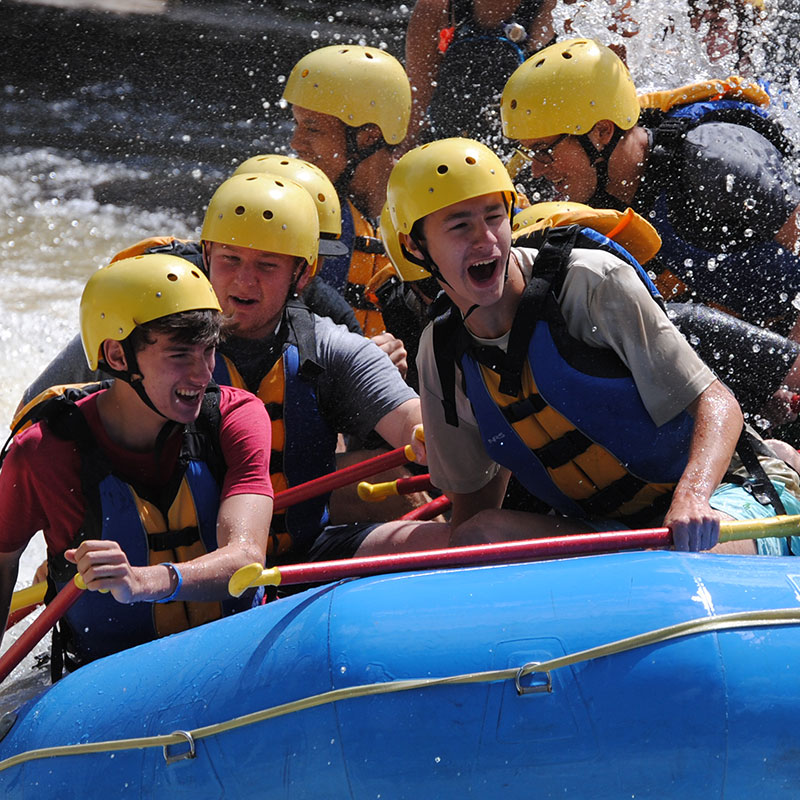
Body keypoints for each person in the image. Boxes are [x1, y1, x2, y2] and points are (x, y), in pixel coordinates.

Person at [385, 136, 800, 554]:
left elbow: (718, 403)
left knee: (678, 552)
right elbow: (472, 510)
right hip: (609, 528)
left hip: (724, 497)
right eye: (460, 226)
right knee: (478, 537)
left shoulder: (591, 282)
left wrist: (691, 497)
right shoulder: (440, 349)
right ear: (414, 246)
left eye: (495, 217)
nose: (487, 241)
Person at [20, 173, 449, 565]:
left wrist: (439, 439)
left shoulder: (332, 347)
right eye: (230, 260)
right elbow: (37, 423)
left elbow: (413, 422)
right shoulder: (138, 336)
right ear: (206, 256)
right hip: (175, 561)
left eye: (267, 264)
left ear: (301, 274)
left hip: (296, 551)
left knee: (463, 534)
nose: (244, 281)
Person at [0, 253, 273, 673]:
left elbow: (246, 557)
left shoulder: (236, 418)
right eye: (181, 355)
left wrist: (142, 581)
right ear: (117, 355)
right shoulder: (43, 452)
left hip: (235, 656)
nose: (204, 374)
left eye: (210, 351)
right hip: (107, 678)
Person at [500, 38, 800, 337]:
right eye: (529, 153)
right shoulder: (599, 197)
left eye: (543, 150)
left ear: (601, 131)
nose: (537, 170)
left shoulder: (714, 161)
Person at [282, 44, 411, 338]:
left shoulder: (433, 205)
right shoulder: (291, 206)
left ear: (368, 136)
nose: (295, 143)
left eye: (312, 129)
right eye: (297, 124)